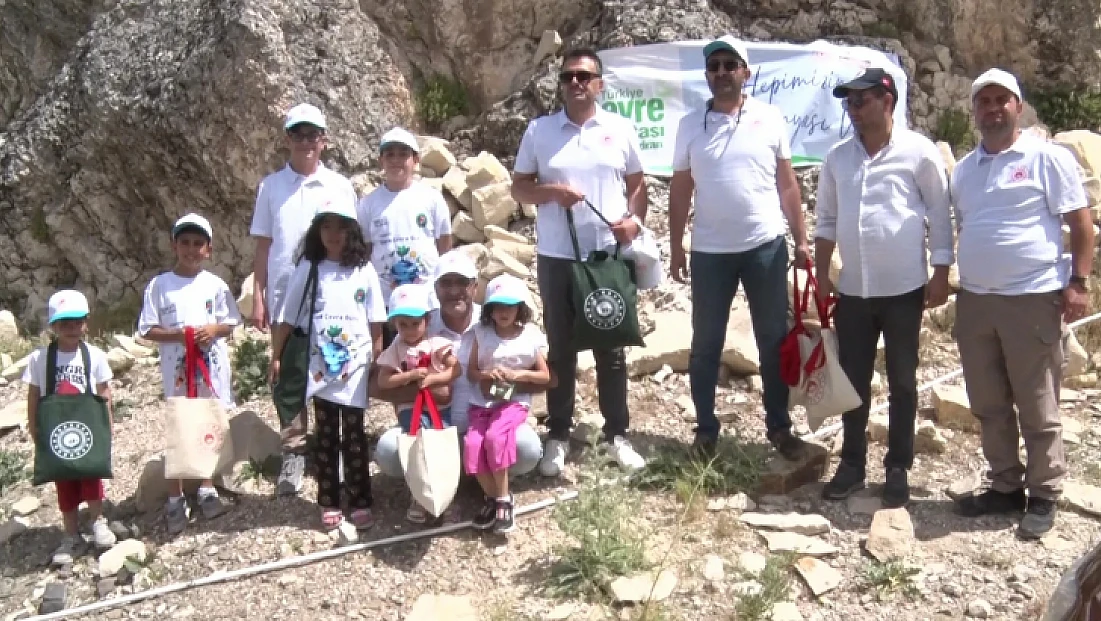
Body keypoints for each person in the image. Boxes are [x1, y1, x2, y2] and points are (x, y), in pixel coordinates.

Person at [950, 68, 1096, 539]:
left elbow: (1081, 223)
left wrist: (1078, 282)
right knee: (988, 401)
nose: (992, 109)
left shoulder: (1047, 158)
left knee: (1036, 402)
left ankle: (1044, 492)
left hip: (1031, 297)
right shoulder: (965, 170)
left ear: (1017, 105)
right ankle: (1004, 486)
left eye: (1001, 100)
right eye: (984, 101)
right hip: (975, 300)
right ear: (974, 111)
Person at [814, 68, 955, 507]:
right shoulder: (838, 158)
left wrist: (940, 272)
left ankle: (897, 467)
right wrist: (821, 279)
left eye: (861, 101)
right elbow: (826, 222)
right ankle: (853, 463)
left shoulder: (919, 152)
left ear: (887, 101)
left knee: (903, 381)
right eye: (849, 103)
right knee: (854, 380)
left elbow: (939, 212)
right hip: (853, 290)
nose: (853, 110)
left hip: (904, 290)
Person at [667, 35, 810, 460]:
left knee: (772, 339)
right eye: (714, 67)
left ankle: (780, 428)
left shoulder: (769, 118)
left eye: (731, 65)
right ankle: (706, 431)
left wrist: (801, 238)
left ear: (746, 72)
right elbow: (680, 190)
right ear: (706, 75)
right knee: (706, 343)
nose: (722, 73)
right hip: (710, 253)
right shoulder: (690, 125)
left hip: (764, 247)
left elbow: (787, 184)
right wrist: (677, 246)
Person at [510, 47, 648, 476]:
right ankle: (558, 434)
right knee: (562, 348)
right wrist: (552, 193)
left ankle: (617, 434)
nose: (576, 83)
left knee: (612, 348)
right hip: (557, 257)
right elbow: (519, 188)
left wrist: (634, 221)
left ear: (600, 84)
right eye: (569, 76)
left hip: (607, 254)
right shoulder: (540, 131)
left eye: (585, 76)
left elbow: (637, 182)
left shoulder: (620, 129)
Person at [371, 251, 545, 521]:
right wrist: (422, 386)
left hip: (487, 425)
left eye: (462, 283)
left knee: (528, 450)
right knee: (388, 453)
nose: (454, 291)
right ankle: (451, 479)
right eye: (446, 283)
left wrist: (504, 383)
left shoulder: (496, 318)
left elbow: (539, 376)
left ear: (475, 287)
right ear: (435, 289)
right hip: (437, 430)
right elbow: (380, 383)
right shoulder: (419, 324)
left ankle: (481, 478)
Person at [249, 102, 358, 496]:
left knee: (334, 371)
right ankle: (294, 452)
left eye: (313, 134)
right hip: (285, 302)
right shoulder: (271, 187)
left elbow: (353, 244)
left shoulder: (340, 187)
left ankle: (337, 449)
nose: (306, 141)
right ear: (287, 139)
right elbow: (264, 246)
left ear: (324, 141)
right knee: (289, 376)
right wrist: (259, 295)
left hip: (332, 302)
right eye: (298, 134)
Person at [270, 202, 387, 531]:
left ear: (351, 231)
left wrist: (377, 356)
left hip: (356, 368)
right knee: (325, 434)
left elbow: (376, 320)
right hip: (320, 368)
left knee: (354, 433)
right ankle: (329, 499)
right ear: (317, 232)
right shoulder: (309, 267)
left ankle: (360, 498)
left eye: (340, 227)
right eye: (326, 227)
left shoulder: (363, 269)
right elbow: (287, 317)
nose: (333, 235)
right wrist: (276, 356)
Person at [137, 213, 242, 534]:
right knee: (180, 429)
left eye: (198, 244)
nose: (191, 249)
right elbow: (147, 329)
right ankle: (174, 496)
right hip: (178, 374)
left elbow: (230, 322)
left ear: (208, 250)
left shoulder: (215, 285)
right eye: (185, 242)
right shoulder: (160, 286)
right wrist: (179, 336)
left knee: (207, 426)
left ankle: (207, 487)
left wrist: (212, 330)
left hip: (209, 371)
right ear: (174, 245)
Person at [24, 290, 117, 566]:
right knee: (63, 479)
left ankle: (98, 521)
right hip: (57, 429)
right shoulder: (40, 359)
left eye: (77, 322)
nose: (72, 328)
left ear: (86, 323)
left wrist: (107, 426)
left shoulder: (95, 356)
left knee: (91, 474)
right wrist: (34, 427)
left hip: (87, 424)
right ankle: (71, 533)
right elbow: (34, 394)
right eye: (64, 323)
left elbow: (104, 392)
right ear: (53, 326)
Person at [465, 274, 551, 534]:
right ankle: (493, 497)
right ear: (489, 309)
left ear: (520, 308)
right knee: (472, 444)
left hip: (513, 401)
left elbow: (544, 375)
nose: (503, 312)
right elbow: (471, 373)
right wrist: (486, 375)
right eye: (497, 306)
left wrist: (519, 375)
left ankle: (502, 498)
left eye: (510, 306)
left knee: (495, 436)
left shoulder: (530, 335)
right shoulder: (481, 333)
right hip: (483, 401)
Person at [358, 126, 453, 346]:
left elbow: (445, 247)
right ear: (381, 160)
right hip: (387, 303)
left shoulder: (432, 198)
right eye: (389, 154)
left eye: (403, 154)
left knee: (430, 361)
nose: (396, 160)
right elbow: (366, 251)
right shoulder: (368, 204)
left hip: (427, 301)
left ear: (416, 159)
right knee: (392, 365)